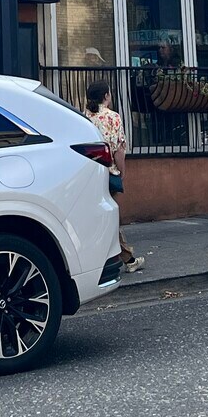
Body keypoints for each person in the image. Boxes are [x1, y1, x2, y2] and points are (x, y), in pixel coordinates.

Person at [84, 78, 143, 272]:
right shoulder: (113, 117)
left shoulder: (83, 117)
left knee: (97, 217)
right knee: (108, 219)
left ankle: (126, 258)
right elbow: (119, 150)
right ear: (106, 96)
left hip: (85, 174)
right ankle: (126, 259)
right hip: (108, 173)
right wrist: (122, 171)